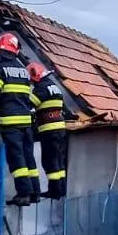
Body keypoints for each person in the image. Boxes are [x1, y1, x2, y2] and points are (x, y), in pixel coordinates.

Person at [0, 32, 40, 206]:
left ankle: (23, 194)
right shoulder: (23, 71)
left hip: (10, 122)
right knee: (28, 157)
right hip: (26, 121)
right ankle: (35, 192)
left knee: (16, 158)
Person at [28, 61, 75, 200]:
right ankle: (60, 189)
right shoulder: (54, 87)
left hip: (49, 130)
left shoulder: (41, 88)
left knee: (49, 161)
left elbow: (29, 104)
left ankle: (54, 191)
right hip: (60, 129)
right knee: (59, 160)